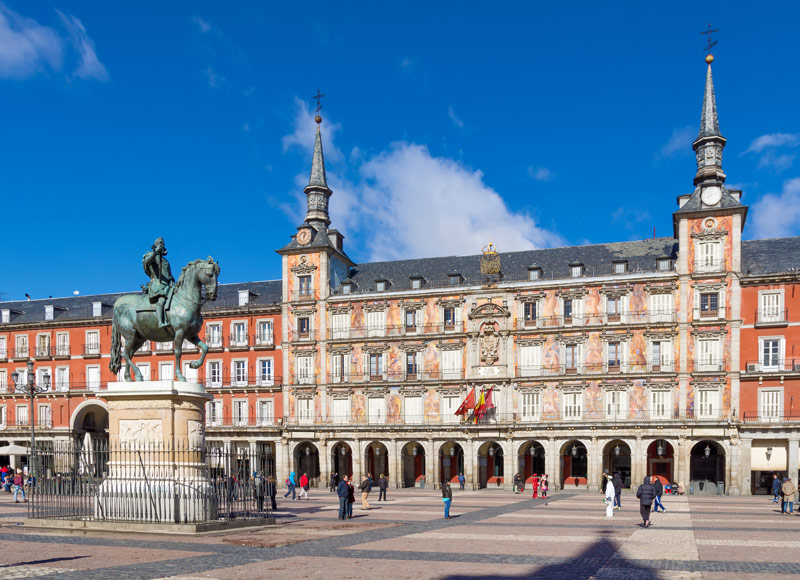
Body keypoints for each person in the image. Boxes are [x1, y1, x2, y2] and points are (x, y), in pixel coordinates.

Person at [142, 236, 175, 329]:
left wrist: (172, 278)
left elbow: (169, 275)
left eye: (163, 244)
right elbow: (147, 262)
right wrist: (155, 252)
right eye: (160, 244)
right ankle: (160, 322)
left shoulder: (166, 261)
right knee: (161, 300)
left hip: (168, 285)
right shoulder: (150, 255)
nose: (162, 245)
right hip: (158, 284)